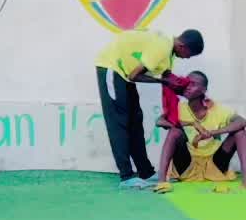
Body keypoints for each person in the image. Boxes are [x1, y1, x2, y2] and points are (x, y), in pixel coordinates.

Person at [94, 24, 204, 189]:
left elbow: (168, 79)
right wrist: (162, 81)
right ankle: (126, 176)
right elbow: (135, 75)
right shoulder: (162, 47)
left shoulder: (169, 54)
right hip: (112, 67)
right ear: (183, 46)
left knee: (135, 121)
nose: (187, 58)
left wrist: (180, 87)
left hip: (124, 74)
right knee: (119, 122)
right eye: (189, 55)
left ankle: (145, 172)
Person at [156, 73, 244, 189]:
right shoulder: (179, 108)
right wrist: (191, 123)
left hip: (215, 164)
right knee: (175, 131)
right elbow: (160, 121)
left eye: (193, 84)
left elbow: (241, 121)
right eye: (187, 83)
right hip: (187, 164)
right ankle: (162, 182)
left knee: (239, 132)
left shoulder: (217, 109)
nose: (188, 87)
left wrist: (211, 133)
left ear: (204, 90)